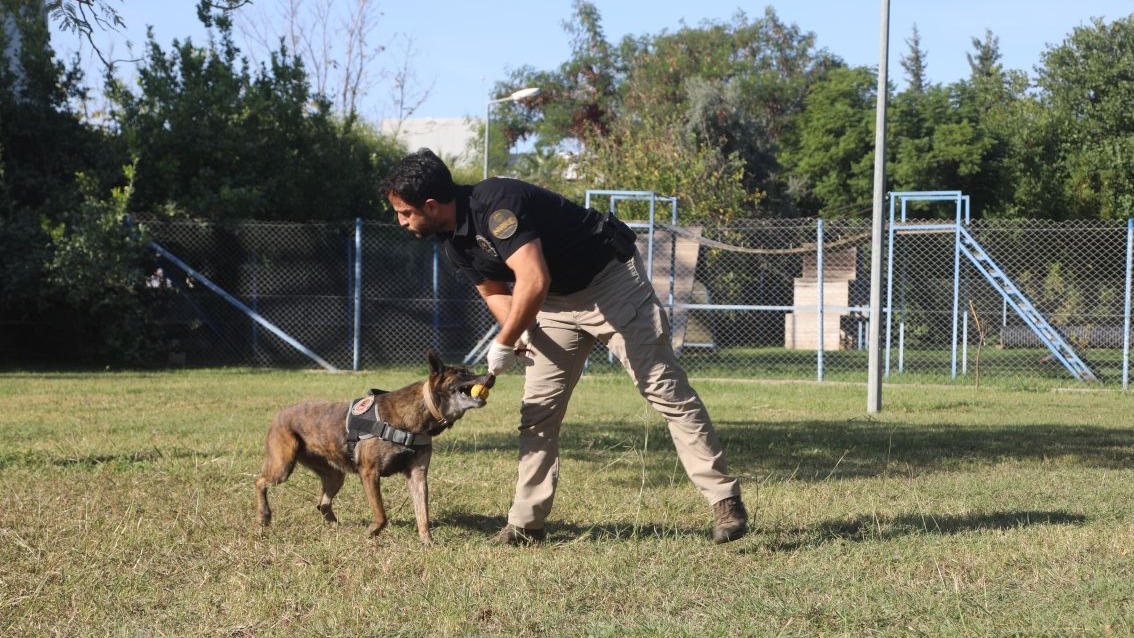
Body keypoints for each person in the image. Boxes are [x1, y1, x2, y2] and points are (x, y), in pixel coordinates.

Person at [381, 148, 747, 545]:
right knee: (538, 412)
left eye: (404, 213)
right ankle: (526, 524)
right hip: (553, 304)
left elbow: (532, 279)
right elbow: (493, 290)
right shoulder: (453, 241)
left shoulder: (498, 204)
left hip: (608, 282)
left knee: (665, 391)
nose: (399, 221)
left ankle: (724, 500)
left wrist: (501, 344)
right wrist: (516, 331)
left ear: (431, 205)